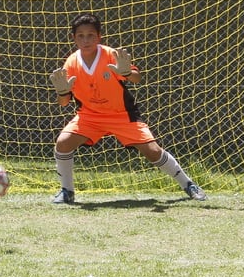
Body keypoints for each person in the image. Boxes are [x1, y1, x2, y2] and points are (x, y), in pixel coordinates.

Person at [48, 12, 207, 204]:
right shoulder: (71, 62)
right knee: (63, 143)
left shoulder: (111, 55)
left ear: (99, 36)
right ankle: (66, 192)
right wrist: (62, 92)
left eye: (91, 35)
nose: (86, 40)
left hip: (122, 115)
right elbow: (64, 102)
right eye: (80, 35)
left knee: (153, 151)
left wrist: (127, 72)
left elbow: (137, 78)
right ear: (74, 38)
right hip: (89, 117)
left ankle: (189, 185)